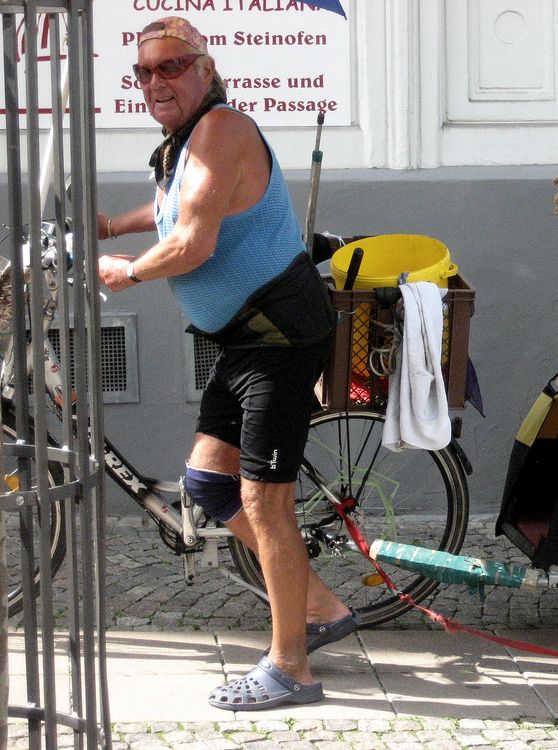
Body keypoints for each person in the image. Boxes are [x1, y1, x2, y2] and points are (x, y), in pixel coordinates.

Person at [97, 16, 356, 711]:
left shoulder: (222, 129)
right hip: (243, 341)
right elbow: (178, 209)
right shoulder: (187, 142)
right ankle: (324, 609)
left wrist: (124, 273)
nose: (156, 81)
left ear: (205, 70)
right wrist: (109, 226)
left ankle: (291, 671)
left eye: (172, 66)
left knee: (262, 503)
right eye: (144, 71)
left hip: (279, 341)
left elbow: (192, 243)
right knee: (208, 487)